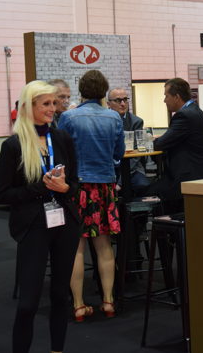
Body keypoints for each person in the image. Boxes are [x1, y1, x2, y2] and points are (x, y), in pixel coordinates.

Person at [0, 80, 80, 353]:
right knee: (28, 303)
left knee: (60, 296)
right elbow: (2, 194)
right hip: (33, 226)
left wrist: (65, 189)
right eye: (46, 104)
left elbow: (76, 184)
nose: (53, 108)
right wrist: (40, 188)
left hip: (64, 223)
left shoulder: (62, 138)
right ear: (28, 106)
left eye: (55, 103)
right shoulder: (13, 145)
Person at [58, 70, 125, 322]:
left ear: (81, 90)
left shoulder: (68, 117)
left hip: (77, 188)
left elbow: (61, 151)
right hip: (104, 186)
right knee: (104, 246)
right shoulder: (114, 117)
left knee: (76, 247)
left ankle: (78, 305)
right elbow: (118, 153)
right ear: (104, 91)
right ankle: (108, 301)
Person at [150, 78, 203, 213]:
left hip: (192, 176)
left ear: (177, 97)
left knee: (148, 192)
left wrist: (148, 142)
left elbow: (160, 144)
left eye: (166, 96)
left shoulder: (184, 115)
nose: (164, 100)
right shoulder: (193, 110)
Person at [107, 87, 150, 195]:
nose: (123, 104)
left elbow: (135, 155)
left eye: (125, 99)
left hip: (131, 167)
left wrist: (120, 183)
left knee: (142, 185)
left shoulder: (136, 122)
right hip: (109, 167)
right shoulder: (103, 121)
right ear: (108, 104)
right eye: (118, 100)